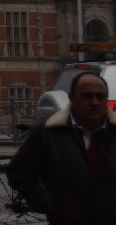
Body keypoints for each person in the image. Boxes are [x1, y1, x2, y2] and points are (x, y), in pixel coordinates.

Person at [7, 71, 116, 224]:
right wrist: (48, 203)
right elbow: (18, 173)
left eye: (100, 96)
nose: (94, 102)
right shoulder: (48, 134)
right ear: (71, 98)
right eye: (86, 96)